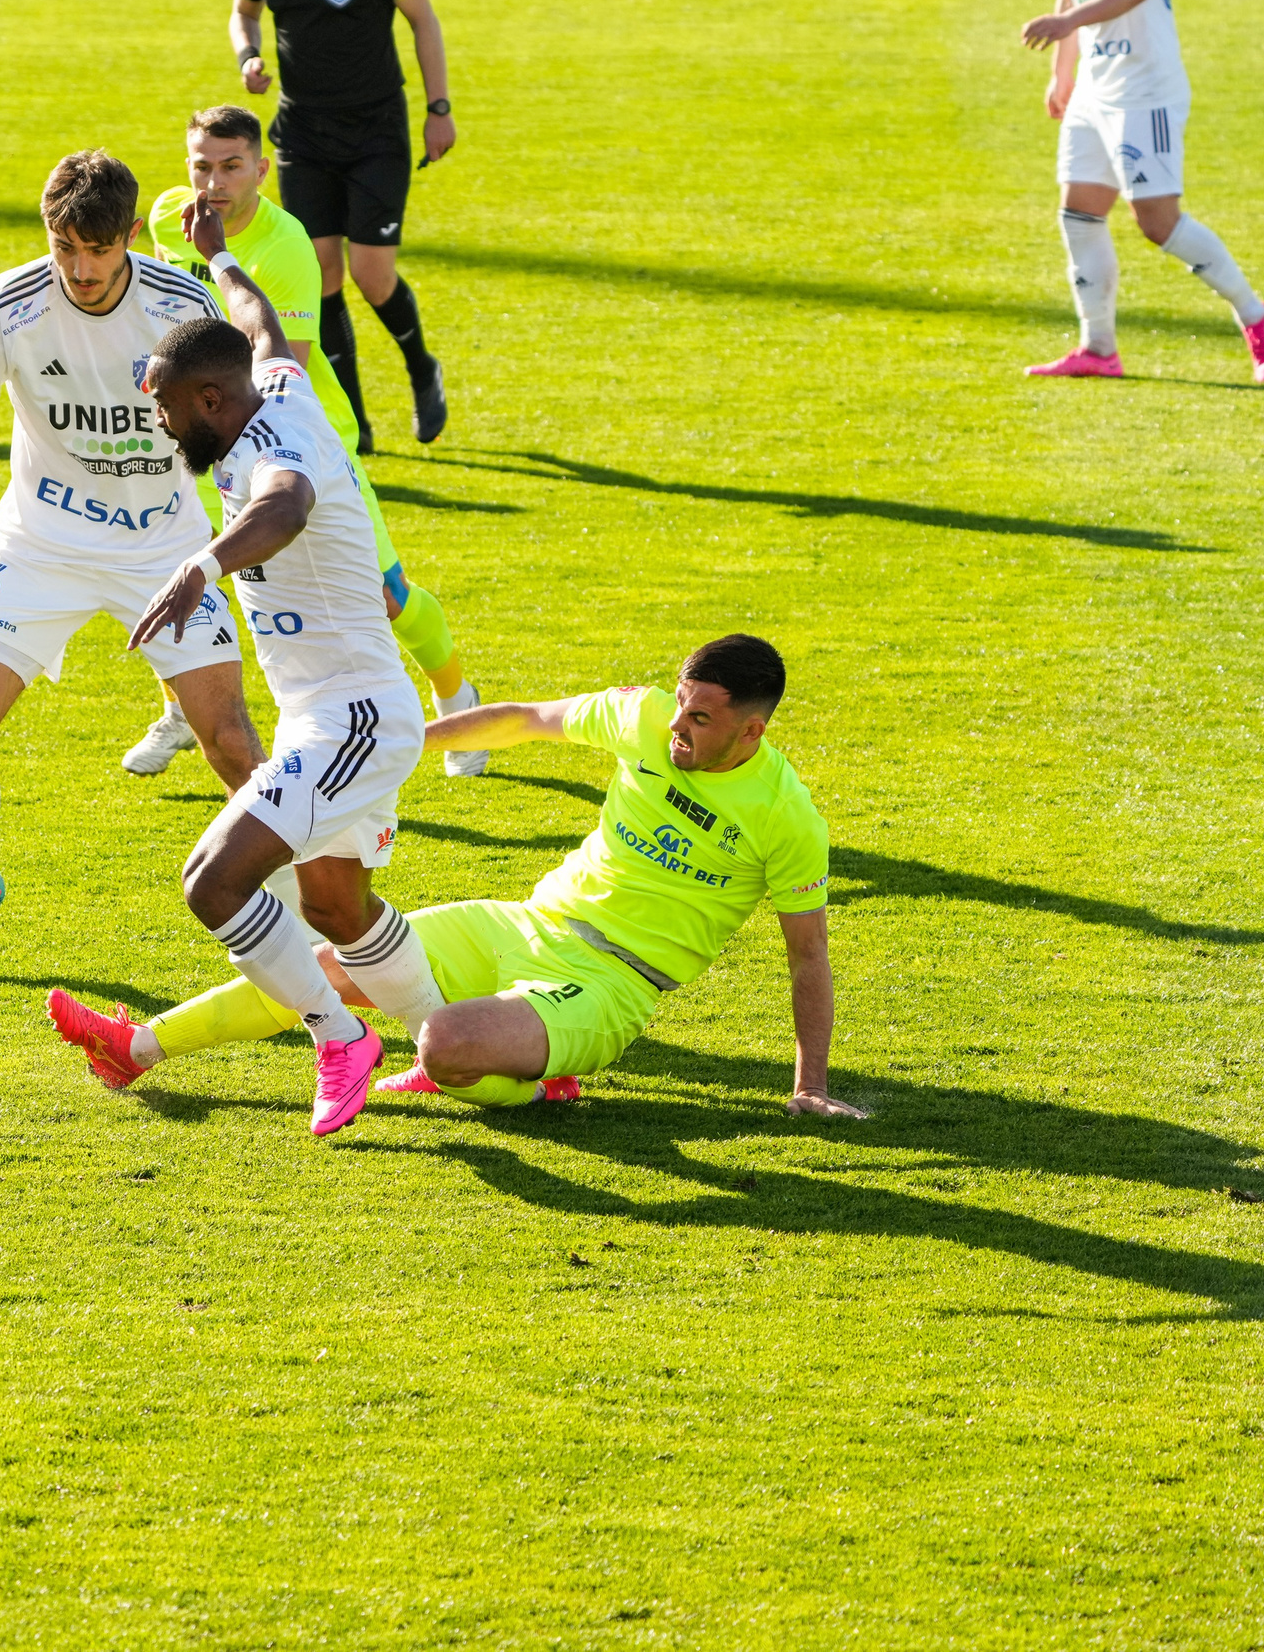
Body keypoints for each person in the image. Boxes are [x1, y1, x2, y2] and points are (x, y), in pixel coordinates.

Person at [50, 634, 867, 1125]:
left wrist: (810, 1086)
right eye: (680, 706)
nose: (678, 728)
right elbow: (521, 719)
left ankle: (541, 1086)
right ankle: (136, 1048)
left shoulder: (787, 817)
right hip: (520, 922)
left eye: (701, 719)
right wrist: (402, 748)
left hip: (610, 983)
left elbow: (808, 957)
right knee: (330, 972)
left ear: (752, 729)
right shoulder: (644, 715)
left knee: (442, 1046)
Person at [55, 192, 449, 1137]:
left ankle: (339, 1036)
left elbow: (288, 506)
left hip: (355, 719)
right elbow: (261, 320)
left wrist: (205, 562)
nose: (156, 423)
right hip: (341, 711)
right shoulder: (270, 382)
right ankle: (457, 1044)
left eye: (161, 406)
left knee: (213, 881)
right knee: (337, 903)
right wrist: (222, 254)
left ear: (209, 402)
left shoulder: (275, 449)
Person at [0, 152, 266, 976]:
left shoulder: (182, 305)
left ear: (131, 235)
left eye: (97, 249)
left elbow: (238, 428)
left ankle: (306, 925)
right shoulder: (9, 307)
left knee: (233, 745)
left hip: (163, 549)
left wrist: (250, 544)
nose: (81, 269)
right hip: (40, 547)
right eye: (63, 248)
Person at [122, 105, 489, 782]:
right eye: (203, 165)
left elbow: (276, 365)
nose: (215, 181)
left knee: (386, 593)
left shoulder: (284, 245)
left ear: (262, 168)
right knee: (176, 572)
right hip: (204, 431)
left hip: (293, 435)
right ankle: (179, 709)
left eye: (232, 166)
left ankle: (457, 702)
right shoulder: (173, 217)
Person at [1020, 0, 1264, 381]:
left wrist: (1067, 24)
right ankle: (1099, 349)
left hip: (1145, 92)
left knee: (1158, 222)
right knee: (1079, 212)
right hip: (1094, 88)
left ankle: (1256, 316)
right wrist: (1062, 71)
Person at [232, 0, 454, 449]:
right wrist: (249, 56)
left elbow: (423, 19)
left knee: (372, 276)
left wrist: (438, 107)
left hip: (375, 130)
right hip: (302, 134)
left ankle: (422, 368)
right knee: (321, 272)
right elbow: (244, 12)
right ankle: (356, 424)